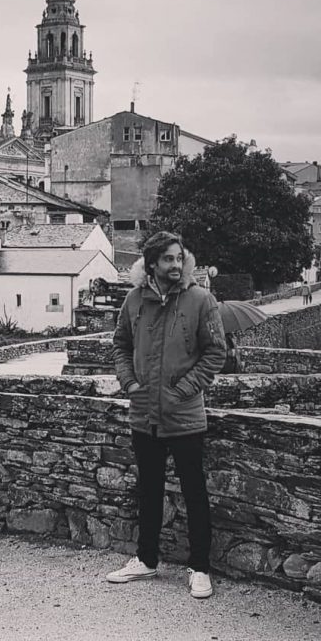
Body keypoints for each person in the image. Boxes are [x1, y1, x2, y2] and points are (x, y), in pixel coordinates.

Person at [106, 231, 227, 599]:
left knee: (194, 492)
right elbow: (120, 346)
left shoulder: (201, 300)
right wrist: (129, 383)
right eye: (168, 259)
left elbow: (215, 353)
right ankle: (146, 560)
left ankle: (200, 568)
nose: (176, 265)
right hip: (144, 414)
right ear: (151, 264)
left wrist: (182, 390)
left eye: (179, 258)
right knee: (149, 490)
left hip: (186, 416)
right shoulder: (133, 301)